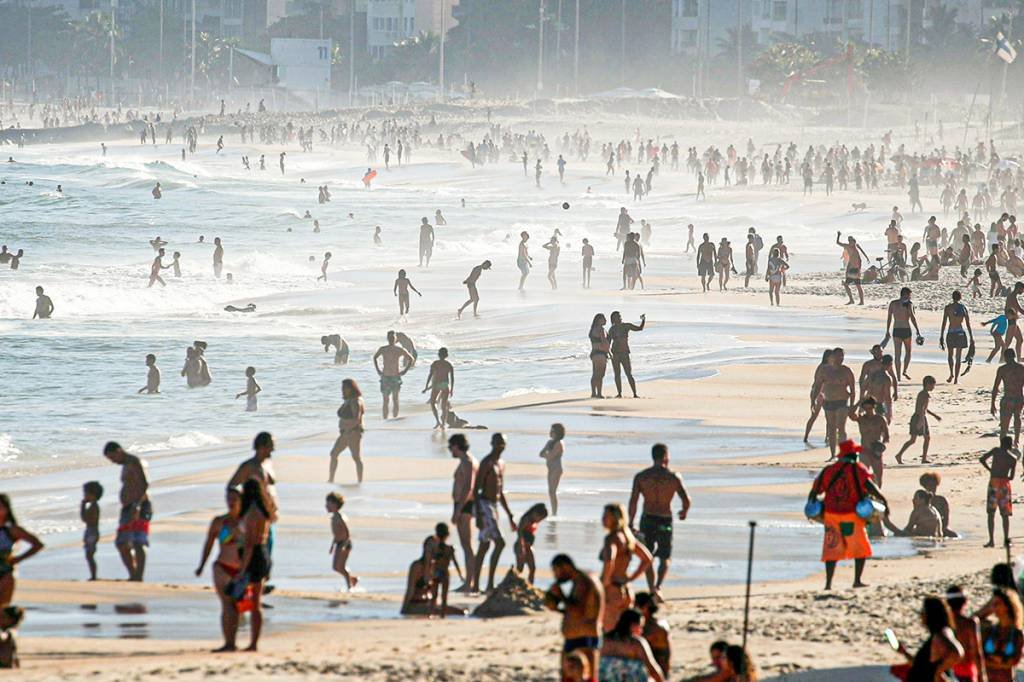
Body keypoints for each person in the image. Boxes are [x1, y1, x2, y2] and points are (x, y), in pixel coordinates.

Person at [807, 439, 888, 590]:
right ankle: (857, 580)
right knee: (860, 547)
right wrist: (884, 502)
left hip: (831, 515)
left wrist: (811, 510)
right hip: (852, 515)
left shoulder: (828, 470)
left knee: (832, 549)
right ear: (852, 455)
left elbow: (814, 492)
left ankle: (828, 584)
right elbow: (871, 488)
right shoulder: (858, 469)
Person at [628, 443, 690, 601]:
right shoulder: (673, 476)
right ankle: (658, 586)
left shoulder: (642, 477)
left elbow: (633, 502)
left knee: (647, 556)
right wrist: (684, 512)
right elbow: (686, 499)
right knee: (665, 556)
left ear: (653, 456)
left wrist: (630, 522)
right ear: (665, 457)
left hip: (647, 519)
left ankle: (651, 589)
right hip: (664, 519)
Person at [194, 487, 243, 652]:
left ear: (241, 501)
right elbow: (208, 545)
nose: (231, 502)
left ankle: (232, 642)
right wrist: (201, 565)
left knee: (236, 606)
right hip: (222, 568)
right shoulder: (219, 522)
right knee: (226, 605)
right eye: (228, 498)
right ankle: (228, 642)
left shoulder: (247, 522)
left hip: (241, 570)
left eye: (234, 499)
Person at [544, 554, 604, 680]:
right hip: (579, 637)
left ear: (565, 567)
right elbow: (577, 611)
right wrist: (558, 608)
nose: (556, 576)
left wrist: (561, 596)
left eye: (556, 571)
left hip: (584, 638)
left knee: (582, 677)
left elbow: (578, 611)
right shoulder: (580, 580)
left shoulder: (583, 581)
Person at [471, 433, 517, 593]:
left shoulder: (501, 464)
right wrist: (477, 514)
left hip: (494, 506)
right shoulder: (486, 463)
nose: (501, 447)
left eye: (503, 444)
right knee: (500, 542)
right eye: (498, 443)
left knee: (484, 545)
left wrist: (510, 515)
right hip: (484, 505)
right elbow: (476, 489)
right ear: (492, 444)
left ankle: (479, 585)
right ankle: (484, 583)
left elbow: (500, 491)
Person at [230, 479, 271, 651]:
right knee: (255, 601)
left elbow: (249, 544)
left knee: (238, 598)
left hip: (252, 556)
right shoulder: (263, 511)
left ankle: (239, 640)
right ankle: (253, 642)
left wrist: (242, 568)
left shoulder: (251, 513)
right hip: (262, 553)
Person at [600, 503, 653, 634]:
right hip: (626, 589)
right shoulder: (627, 537)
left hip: (612, 589)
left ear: (615, 518)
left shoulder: (611, 538)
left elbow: (609, 560)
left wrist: (604, 582)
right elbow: (647, 558)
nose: (603, 519)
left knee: (609, 631)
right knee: (625, 631)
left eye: (606, 516)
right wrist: (631, 578)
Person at [102, 442, 150, 582]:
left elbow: (144, 483)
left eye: (112, 458)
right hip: (128, 507)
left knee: (138, 541)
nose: (113, 462)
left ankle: (138, 576)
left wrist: (137, 505)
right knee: (122, 542)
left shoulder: (134, 462)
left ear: (119, 451)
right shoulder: (125, 465)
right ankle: (133, 573)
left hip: (140, 506)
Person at [890, 596, 964, 681]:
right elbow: (922, 667)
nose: (921, 615)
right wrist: (904, 652)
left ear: (930, 614)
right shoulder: (939, 634)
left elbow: (957, 653)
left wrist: (937, 671)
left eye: (923, 611)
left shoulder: (940, 634)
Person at [809, 347, 856, 459]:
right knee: (831, 428)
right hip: (828, 402)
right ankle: (832, 454)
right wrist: (813, 401)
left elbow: (853, 390)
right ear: (832, 356)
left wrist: (852, 406)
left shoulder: (846, 371)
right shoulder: (824, 370)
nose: (840, 358)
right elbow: (817, 385)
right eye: (838, 356)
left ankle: (844, 453)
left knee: (841, 427)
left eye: (842, 356)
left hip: (842, 402)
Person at [598, 608, 665, 682]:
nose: (642, 631)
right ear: (632, 625)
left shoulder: (603, 640)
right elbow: (652, 669)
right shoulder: (636, 643)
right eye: (640, 627)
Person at [0, 494, 43, 607]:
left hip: (4, 573)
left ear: (6, 509)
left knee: (3, 610)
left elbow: (37, 544)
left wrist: (18, 558)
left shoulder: (11, 530)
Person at [449, 434, 478, 593]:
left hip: (465, 506)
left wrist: (458, 510)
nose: (449, 450)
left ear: (456, 446)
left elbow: (469, 488)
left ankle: (470, 582)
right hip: (462, 505)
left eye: (450, 447)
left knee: (467, 545)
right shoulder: (466, 461)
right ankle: (469, 581)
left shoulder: (467, 462)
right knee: (466, 545)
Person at [982, 436, 1018, 548]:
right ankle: (1006, 540)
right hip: (1004, 485)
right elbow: (1011, 477)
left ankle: (991, 540)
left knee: (991, 513)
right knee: (1005, 514)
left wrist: (990, 470)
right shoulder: (1012, 458)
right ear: (1010, 445)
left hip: (993, 483)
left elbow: (982, 459)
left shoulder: (996, 451)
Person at [894, 376, 940, 464]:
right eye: (932, 385)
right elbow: (921, 409)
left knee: (918, 439)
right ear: (928, 384)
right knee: (922, 438)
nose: (933, 387)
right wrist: (921, 421)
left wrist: (934, 415)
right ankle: (921, 458)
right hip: (919, 417)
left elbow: (925, 408)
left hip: (918, 416)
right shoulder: (924, 395)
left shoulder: (922, 393)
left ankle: (901, 455)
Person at [982, 588, 1024, 682]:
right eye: (993, 604)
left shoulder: (1017, 634)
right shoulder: (989, 630)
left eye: (997, 604)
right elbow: (980, 657)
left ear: (1008, 606)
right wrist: (1003, 661)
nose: (993, 608)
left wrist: (992, 660)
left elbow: (1014, 662)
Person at [421, 522, 462, 617]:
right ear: (447, 534)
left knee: (434, 595)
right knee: (444, 596)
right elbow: (455, 563)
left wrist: (427, 573)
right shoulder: (450, 549)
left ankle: (430, 613)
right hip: (445, 573)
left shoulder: (435, 548)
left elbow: (429, 561)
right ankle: (442, 615)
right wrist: (460, 574)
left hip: (435, 573)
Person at [947, 585, 986, 682]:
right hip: (967, 670)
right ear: (965, 602)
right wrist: (982, 675)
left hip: (948, 669)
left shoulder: (943, 623)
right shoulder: (970, 624)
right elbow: (976, 651)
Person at [329, 379, 365, 484]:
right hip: (345, 433)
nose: (342, 390)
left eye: (345, 388)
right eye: (342, 388)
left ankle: (360, 481)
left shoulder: (356, 401)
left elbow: (356, 419)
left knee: (356, 457)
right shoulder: (348, 400)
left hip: (353, 433)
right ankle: (331, 479)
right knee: (333, 454)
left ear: (351, 388)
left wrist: (349, 430)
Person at [373, 330, 415, 420]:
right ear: (387, 338)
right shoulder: (383, 349)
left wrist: (405, 371)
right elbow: (375, 357)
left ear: (396, 339)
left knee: (395, 399)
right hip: (385, 376)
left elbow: (411, 359)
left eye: (393, 337)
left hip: (395, 377)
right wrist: (378, 370)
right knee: (385, 400)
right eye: (390, 337)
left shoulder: (399, 349)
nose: (391, 339)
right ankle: (385, 420)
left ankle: (395, 419)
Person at [848, 398, 889, 486]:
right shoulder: (861, 419)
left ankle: (877, 496)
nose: (868, 411)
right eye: (865, 409)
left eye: (869, 408)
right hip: (864, 451)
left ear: (874, 407)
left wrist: (882, 446)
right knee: (862, 477)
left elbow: (886, 436)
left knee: (878, 477)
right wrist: (859, 401)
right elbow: (851, 414)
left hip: (876, 451)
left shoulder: (880, 419)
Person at [885, 287, 921, 381]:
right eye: (909, 295)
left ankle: (898, 377)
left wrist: (887, 330)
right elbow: (912, 317)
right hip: (906, 330)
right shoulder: (909, 304)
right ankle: (904, 370)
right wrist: (917, 330)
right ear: (905, 294)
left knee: (897, 354)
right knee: (908, 352)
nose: (910, 297)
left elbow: (889, 318)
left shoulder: (893, 303)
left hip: (896, 329)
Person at [608, 311, 645, 398]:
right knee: (617, 374)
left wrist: (643, 320)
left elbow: (640, 328)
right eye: (618, 316)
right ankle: (619, 393)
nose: (620, 318)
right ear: (613, 319)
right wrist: (608, 353)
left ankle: (635, 394)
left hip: (624, 353)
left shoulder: (626, 326)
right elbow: (608, 343)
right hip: (615, 354)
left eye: (620, 316)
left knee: (628, 374)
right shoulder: (612, 329)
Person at [940, 291, 975, 383]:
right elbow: (968, 324)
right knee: (958, 357)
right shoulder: (963, 308)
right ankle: (956, 379)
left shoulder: (948, 308)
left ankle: (951, 373)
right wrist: (971, 337)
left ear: (952, 297)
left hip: (951, 332)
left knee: (950, 355)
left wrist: (941, 335)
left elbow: (944, 322)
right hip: (960, 332)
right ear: (960, 297)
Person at [326, 492, 358, 591]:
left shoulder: (340, 517)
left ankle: (350, 586)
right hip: (338, 544)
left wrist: (344, 544)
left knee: (341, 566)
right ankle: (352, 579)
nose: (326, 506)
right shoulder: (333, 517)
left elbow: (347, 532)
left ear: (335, 505)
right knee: (335, 567)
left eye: (328, 503)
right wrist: (332, 545)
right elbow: (336, 534)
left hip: (345, 544)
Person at [992, 349, 1024, 446]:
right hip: (1019, 398)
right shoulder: (1021, 368)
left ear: (1005, 357)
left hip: (1008, 398)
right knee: (1017, 417)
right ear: (1014, 356)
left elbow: (995, 387)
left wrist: (992, 403)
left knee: (1004, 424)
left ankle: (1003, 443)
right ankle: (1016, 440)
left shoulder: (1002, 369)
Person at [635, 592, 671, 679]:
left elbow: (663, 658)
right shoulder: (658, 624)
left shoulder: (654, 630)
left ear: (645, 608)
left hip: (653, 672)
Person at [513, 503, 548, 584]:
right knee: (520, 568)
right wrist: (521, 545)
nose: (539, 520)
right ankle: (513, 584)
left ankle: (530, 586)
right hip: (521, 545)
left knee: (532, 568)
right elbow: (519, 531)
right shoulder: (526, 518)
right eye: (540, 518)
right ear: (535, 513)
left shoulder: (533, 521)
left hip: (529, 546)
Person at [424, 348, 454, 429]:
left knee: (433, 403)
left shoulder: (435, 363)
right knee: (443, 405)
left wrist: (426, 386)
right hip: (445, 385)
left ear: (439, 354)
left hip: (437, 384)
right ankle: (443, 424)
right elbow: (452, 378)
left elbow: (430, 375)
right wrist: (452, 389)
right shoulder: (449, 364)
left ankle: (438, 421)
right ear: (446, 355)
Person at [539, 423, 566, 516]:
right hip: (550, 468)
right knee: (550, 491)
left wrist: (546, 455)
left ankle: (555, 513)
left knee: (552, 491)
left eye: (552, 431)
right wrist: (547, 455)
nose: (550, 433)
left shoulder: (560, 443)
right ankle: (553, 512)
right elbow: (541, 453)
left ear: (557, 433)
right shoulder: (549, 442)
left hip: (556, 469)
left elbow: (551, 456)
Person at [837, 232, 869, 305]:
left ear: (854, 242)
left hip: (856, 269)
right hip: (851, 269)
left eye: (852, 241)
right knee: (846, 284)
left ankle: (861, 301)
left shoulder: (856, 247)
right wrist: (838, 236)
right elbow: (838, 243)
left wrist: (866, 259)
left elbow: (860, 257)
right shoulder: (848, 247)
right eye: (850, 241)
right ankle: (851, 300)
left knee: (858, 286)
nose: (851, 243)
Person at [80, 481, 102, 580]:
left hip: (92, 532)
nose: (84, 496)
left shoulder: (94, 507)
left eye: (86, 493)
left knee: (89, 555)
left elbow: (85, 519)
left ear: (92, 495)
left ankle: (94, 576)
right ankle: (93, 575)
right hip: (91, 531)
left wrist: (82, 506)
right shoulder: (94, 506)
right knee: (89, 555)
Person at [589, 313, 610, 398]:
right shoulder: (601, 329)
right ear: (599, 320)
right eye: (604, 318)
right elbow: (604, 342)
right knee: (600, 375)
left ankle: (593, 392)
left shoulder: (592, 329)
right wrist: (609, 352)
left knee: (594, 374)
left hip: (594, 353)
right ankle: (599, 394)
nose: (606, 320)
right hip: (601, 354)